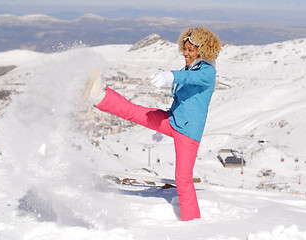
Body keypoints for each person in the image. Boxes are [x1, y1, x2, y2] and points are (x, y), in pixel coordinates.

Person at [84, 27, 222, 221]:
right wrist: (163, 127)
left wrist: (170, 76)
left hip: (188, 134)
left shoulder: (207, 72)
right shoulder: (191, 67)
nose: (186, 53)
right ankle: (98, 95)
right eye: (185, 48)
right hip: (173, 122)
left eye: (191, 50)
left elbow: (189, 79)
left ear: (203, 50)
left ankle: (192, 222)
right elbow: (184, 98)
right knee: (135, 112)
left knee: (183, 179)